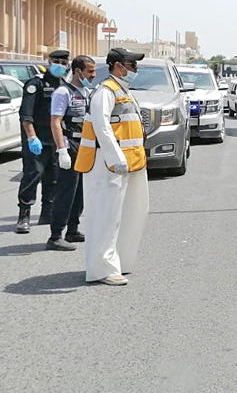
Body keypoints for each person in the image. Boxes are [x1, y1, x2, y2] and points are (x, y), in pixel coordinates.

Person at [74, 48, 148, 286]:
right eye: (132, 65)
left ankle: (116, 262)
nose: (135, 70)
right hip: (106, 164)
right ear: (118, 66)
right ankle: (101, 269)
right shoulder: (105, 91)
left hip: (123, 163)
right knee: (105, 217)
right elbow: (102, 126)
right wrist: (115, 157)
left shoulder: (120, 89)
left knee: (121, 216)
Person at [15, 49, 70, 234]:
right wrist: (31, 137)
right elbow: (26, 115)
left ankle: (47, 213)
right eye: (57, 61)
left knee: (53, 177)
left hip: (56, 139)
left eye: (64, 62)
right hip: (37, 139)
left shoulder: (63, 85)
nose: (60, 65)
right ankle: (24, 216)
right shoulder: (35, 84)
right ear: (49, 62)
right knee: (32, 175)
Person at [46, 55, 96, 251]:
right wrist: (61, 150)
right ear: (77, 71)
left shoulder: (86, 91)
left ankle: (73, 229)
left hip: (84, 144)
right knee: (66, 191)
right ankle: (55, 235)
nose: (93, 75)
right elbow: (55, 122)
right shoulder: (62, 92)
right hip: (70, 144)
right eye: (89, 71)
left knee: (80, 191)